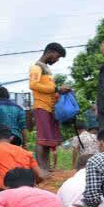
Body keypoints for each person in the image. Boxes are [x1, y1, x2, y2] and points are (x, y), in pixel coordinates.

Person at [29, 42, 71, 171]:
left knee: (47, 141)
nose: (57, 60)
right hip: (41, 107)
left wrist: (58, 92)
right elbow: (33, 85)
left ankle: (46, 168)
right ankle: (42, 170)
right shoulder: (36, 67)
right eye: (57, 56)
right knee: (42, 140)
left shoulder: (46, 68)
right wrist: (56, 88)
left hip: (49, 108)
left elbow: (49, 89)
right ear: (50, 52)